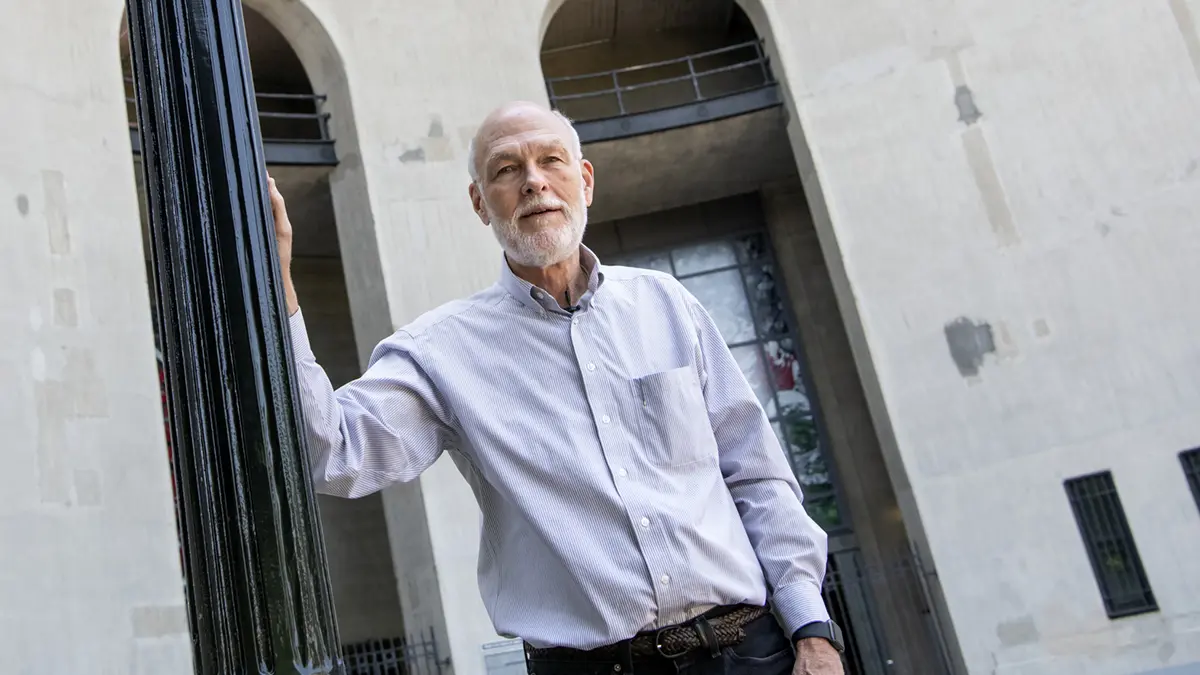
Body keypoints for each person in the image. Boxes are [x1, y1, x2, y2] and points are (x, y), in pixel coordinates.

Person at [268, 100, 846, 675]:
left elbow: (757, 475)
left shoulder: (667, 304)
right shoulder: (437, 352)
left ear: (584, 181)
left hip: (748, 651)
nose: (534, 183)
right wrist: (276, 288)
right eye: (506, 169)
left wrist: (812, 631)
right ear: (480, 202)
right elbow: (332, 454)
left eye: (551, 160)